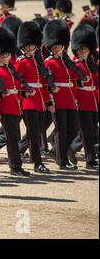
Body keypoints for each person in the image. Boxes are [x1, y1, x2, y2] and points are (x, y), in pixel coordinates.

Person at [44, 19, 84, 171]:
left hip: (70, 99)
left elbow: (73, 79)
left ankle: (57, 151)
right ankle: (62, 161)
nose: (57, 48)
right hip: (58, 100)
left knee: (73, 128)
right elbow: (48, 84)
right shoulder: (48, 63)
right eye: (54, 46)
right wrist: (50, 102)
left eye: (60, 45)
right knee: (61, 130)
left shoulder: (67, 61)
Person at [0, 27, 31, 176]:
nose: (6, 57)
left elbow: (16, 88)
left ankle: (15, 165)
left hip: (15, 106)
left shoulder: (11, 69)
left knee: (15, 136)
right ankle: (15, 166)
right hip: (5, 108)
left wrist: (24, 95)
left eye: (7, 54)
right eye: (3, 55)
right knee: (12, 137)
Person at [15, 21, 53, 173]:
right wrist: (24, 93)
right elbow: (17, 82)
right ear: (23, 47)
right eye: (28, 46)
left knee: (37, 132)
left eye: (32, 45)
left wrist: (48, 101)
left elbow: (42, 84)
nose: (31, 48)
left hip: (40, 101)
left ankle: (28, 156)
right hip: (28, 102)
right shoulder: (21, 62)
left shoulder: (38, 61)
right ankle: (37, 162)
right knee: (34, 133)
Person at [71, 24, 99, 170]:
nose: (83, 51)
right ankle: (90, 160)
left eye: (85, 49)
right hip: (82, 102)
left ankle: (69, 149)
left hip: (92, 101)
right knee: (87, 132)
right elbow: (72, 83)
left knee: (93, 131)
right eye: (80, 49)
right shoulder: (75, 65)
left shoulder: (90, 64)